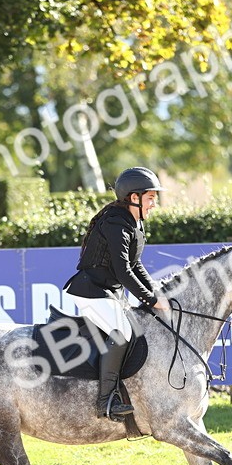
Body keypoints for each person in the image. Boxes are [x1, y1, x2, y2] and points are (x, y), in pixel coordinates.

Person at [63, 166, 170, 420]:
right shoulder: (115, 223)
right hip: (90, 291)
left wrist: (155, 290)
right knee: (121, 333)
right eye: (150, 197)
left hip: (108, 291)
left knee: (134, 328)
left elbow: (136, 265)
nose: (154, 203)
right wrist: (151, 299)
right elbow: (123, 272)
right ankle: (105, 401)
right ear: (134, 197)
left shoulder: (136, 223)